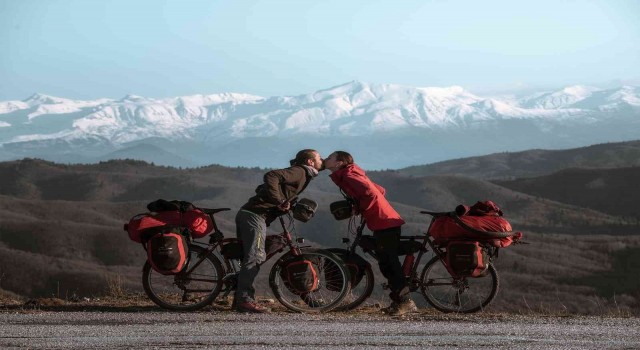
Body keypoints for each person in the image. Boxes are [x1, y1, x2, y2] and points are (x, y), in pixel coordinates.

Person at [323, 151, 418, 316]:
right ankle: (398, 301)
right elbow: (380, 190)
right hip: (384, 220)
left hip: (384, 221)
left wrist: (359, 208)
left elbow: (371, 192)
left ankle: (406, 301)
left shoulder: (348, 175)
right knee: (385, 260)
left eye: (330, 157)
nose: (326, 159)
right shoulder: (350, 173)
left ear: (339, 163)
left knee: (389, 262)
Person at [234, 149, 324, 313]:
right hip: (255, 215)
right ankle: (245, 300)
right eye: (319, 158)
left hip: (253, 215)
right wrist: (280, 200)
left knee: (249, 255)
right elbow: (272, 176)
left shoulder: (305, 172)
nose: (322, 160)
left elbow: (322, 166)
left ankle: (238, 298)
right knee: (255, 256)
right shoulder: (299, 171)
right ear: (310, 162)